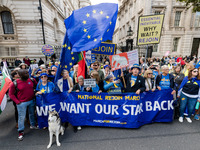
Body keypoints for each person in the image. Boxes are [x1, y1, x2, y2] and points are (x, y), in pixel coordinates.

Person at [9, 69, 38, 141]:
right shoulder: (14, 83)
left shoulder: (31, 80)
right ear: (19, 75)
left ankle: (33, 125)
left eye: (27, 73)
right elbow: (11, 94)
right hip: (21, 103)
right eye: (24, 73)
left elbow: (37, 86)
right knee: (21, 117)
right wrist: (17, 102)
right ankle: (21, 131)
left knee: (32, 114)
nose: (26, 74)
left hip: (31, 101)